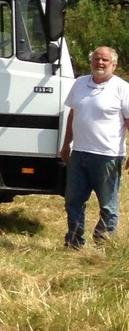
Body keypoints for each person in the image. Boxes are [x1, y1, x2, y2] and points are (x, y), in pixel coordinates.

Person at [60, 45, 129, 249]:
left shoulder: (122, 88)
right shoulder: (80, 84)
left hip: (108, 156)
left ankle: (102, 244)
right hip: (79, 153)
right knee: (73, 201)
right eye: (96, 59)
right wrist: (66, 145)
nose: (100, 63)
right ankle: (74, 242)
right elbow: (73, 115)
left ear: (113, 65)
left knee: (107, 206)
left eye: (105, 60)